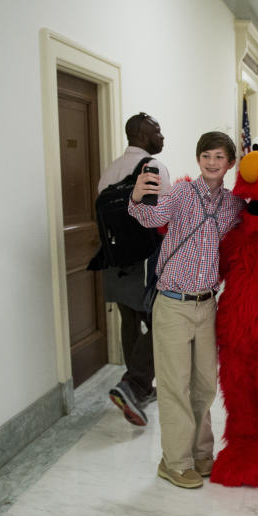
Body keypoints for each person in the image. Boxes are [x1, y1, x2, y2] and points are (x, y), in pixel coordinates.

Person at [128, 131, 244, 489]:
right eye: (206, 155)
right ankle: (175, 462)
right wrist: (136, 198)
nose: (212, 162)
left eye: (219, 157)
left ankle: (200, 453)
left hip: (207, 305)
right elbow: (150, 218)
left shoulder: (233, 205)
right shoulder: (181, 193)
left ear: (229, 163)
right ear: (198, 160)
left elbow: (254, 232)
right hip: (173, 305)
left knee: (205, 385)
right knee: (175, 385)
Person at [100, 112, 170, 427]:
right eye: (157, 131)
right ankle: (135, 385)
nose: (162, 137)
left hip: (113, 259)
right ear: (142, 135)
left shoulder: (111, 168)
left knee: (130, 320)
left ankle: (137, 387)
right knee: (163, 322)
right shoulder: (152, 167)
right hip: (145, 260)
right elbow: (161, 217)